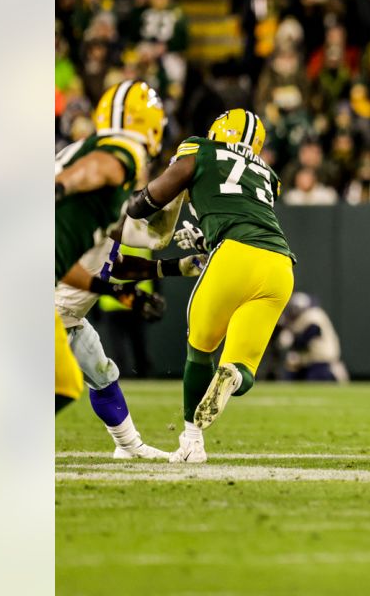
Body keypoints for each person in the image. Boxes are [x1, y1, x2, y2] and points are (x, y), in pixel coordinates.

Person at [124, 109, 296, 463]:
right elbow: (243, 210)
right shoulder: (268, 174)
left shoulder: (200, 149)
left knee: (200, 348)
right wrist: (205, 237)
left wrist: (138, 205)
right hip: (280, 266)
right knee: (243, 365)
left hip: (235, 256)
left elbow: (174, 179)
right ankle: (233, 376)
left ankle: (192, 441)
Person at [55, 194, 204, 458]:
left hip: (71, 317)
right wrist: (178, 188)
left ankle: (128, 446)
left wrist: (173, 267)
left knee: (103, 377)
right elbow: (157, 236)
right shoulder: (85, 213)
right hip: (52, 315)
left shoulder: (99, 211)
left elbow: (116, 263)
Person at [54, 80, 167, 412]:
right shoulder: (126, 151)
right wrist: (62, 186)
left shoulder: (90, 154)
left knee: (74, 382)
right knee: (63, 385)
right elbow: (99, 168)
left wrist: (116, 292)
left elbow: (62, 264)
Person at [277, 293, 348, 382]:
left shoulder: (313, 317)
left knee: (312, 381)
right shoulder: (305, 319)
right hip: (308, 363)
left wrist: (291, 339)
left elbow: (305, 340)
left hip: (322, 364)